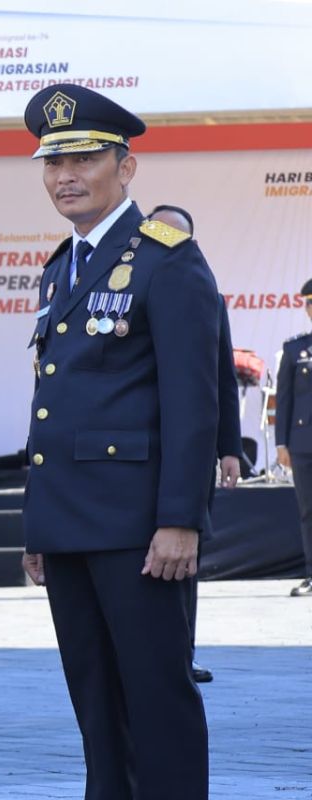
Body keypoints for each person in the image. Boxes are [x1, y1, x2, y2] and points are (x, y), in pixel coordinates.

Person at [21, 83, 218, 799]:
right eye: (51, 162)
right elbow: (54, 408)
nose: (64, 175)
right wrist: (39, 523)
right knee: (95, 704)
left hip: (138, 527)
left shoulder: (167, 259)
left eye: (83, 158)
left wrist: (179, 520)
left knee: (157, 698)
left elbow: (192, 404)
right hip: (69, 521)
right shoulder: (58, 269)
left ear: (125, 168)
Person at [147, 204, 242, 683]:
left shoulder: (204, 293)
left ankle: (183, 649)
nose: (165, 240)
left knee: (183, 557)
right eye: (157, 230)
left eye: (175, 234)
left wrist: (230, 448)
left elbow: (219, 379)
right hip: (137, 456)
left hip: (189, 453)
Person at [276, 278, 312, 597]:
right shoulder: (295, 348)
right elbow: (284, 398)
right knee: (308, 510)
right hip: (304, 444)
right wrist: (281, 444)